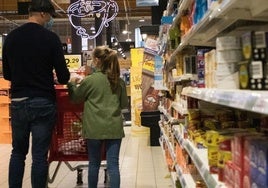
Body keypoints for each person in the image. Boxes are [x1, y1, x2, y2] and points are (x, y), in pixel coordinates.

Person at [2, 0, 70, 187]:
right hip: (43, 102)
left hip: (18, 101)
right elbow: (64, 77)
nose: (50, 20)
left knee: (18, 152)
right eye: (50, 16)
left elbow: (7, 74)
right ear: (42, 14)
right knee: (39, 155)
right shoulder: (50, 38)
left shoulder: (11, 38)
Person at [67, 46, 128, 188]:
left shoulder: (90, 80)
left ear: (96, 60)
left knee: (94, 163)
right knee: (113, 165)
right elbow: (124, 103)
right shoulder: (119, 82)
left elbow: (75, 98)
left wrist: (71, 84)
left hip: (94, 128)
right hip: (114, 128)